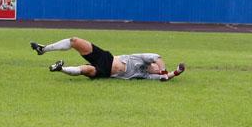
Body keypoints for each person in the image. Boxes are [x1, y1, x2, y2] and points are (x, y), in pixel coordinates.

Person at [29, 37, 185, 81]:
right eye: (157, 68)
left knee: (86, 70)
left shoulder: (145, 75)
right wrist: (164, 71)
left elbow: (166, 77)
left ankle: (60, 68)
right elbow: (158, 57)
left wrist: (176, 72)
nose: (157, 70)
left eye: (158, 71)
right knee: (74, 41)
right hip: (105, 57)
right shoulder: (143, 58)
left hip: (107, 72)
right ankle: (43, 49)